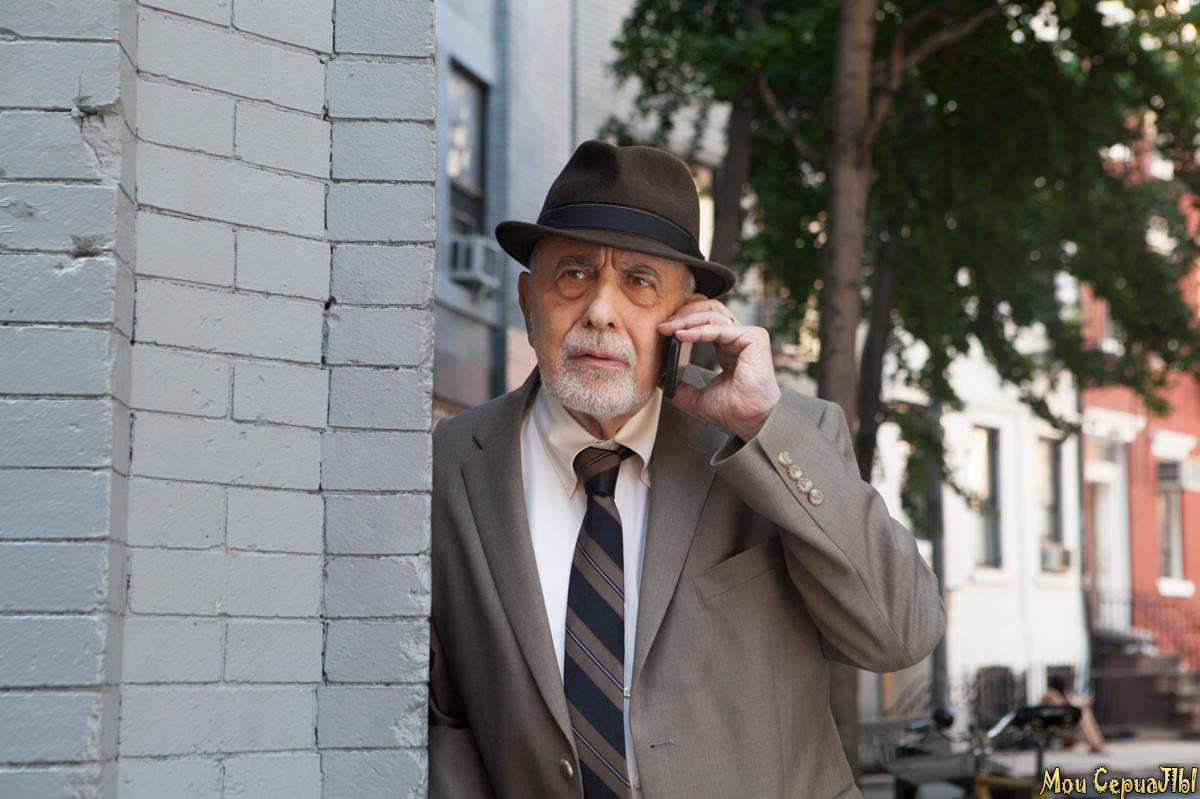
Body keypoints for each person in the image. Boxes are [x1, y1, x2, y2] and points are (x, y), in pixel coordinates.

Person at [429, 140, 945, 798]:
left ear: (686, 314)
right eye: (574, 275)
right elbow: (448, 722)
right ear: (530, 302)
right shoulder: (453, 465)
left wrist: (762, 423)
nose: (601, 310)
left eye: (639, 282)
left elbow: (902, 632)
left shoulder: (785, 440)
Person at [1041, 674, 1107, 754]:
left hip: (1063, 722)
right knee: (1083, 718)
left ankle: (1097, 742)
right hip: (1055, 724)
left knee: (1085, 714)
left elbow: (1072, 705)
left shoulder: (1061, 694)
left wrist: (1081, 702)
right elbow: (1063, 705)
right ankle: (1096, 744)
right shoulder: (1051, 693)